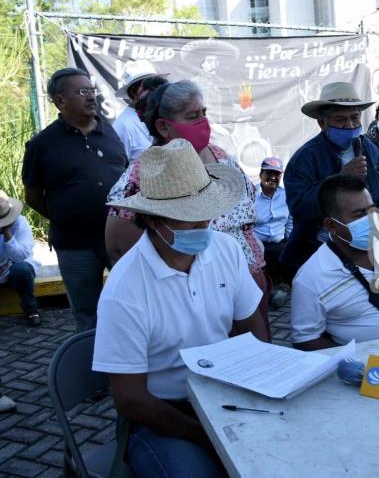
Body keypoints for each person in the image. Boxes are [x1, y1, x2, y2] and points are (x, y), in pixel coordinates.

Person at [93, 139, 266, 478]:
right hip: (161, 416)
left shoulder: (226, 249)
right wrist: (204, 434)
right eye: (190, 218)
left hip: (222, 394)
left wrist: (264, 380)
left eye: (207, 213)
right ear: (155, 222)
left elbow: (252, 325)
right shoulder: (125, 289)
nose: (206, 226)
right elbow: (130, 399)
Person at [105, 80, 272, 340]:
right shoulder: (149, 176)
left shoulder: (220, 156)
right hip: (204, 294)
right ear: (163, 126)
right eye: (193, 116)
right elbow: (120, 245)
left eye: (204, 113)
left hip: (249, 283)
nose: (203, 122)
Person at [22, 68, 127, 331]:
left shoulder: (110, 133)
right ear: (60, 101)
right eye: (83, 92)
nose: (92, 97)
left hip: (118, 236)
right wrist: (67, 216)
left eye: (92, 91)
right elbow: (33, 197)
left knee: (132, 302)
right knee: (86, 311)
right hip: (74, 245)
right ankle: (92, 368)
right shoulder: (41, 145)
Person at [281, 82, 379, 274]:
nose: (350, 125)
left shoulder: (368, 147)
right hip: (319, 249)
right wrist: (339, 179)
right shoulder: (304, 159)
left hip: (368, 246)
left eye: (354, 117)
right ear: (322, 123)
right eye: (340, 120)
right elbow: (299, 208)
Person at [290, 175, 379, 350]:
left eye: (371, 208)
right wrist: (355, 361)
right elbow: (305, 340)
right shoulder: (311, 278)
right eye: (359, 214)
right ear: (331, 226)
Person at [254, 156, 293, 307]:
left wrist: (291, 242)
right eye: (268, 173)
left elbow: (290, 221)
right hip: (257, 244)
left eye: (276, 174)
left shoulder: (285, 195)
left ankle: (282, 289)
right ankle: (268, 294)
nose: (272, 177)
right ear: (260, 174)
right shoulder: (251, 196)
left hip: (279, 243)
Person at [0, 191, 41, 326]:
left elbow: (20, 256)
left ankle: (31, 310)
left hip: (14, 268)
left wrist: (7, 233)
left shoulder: (21, 222)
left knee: (21, 269)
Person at [113, 60, 166, 161]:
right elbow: (118, 169)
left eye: (158, 84)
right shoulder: (123, 126)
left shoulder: (162, 115)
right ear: (134, 92)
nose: (157, 90)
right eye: (150, 86)